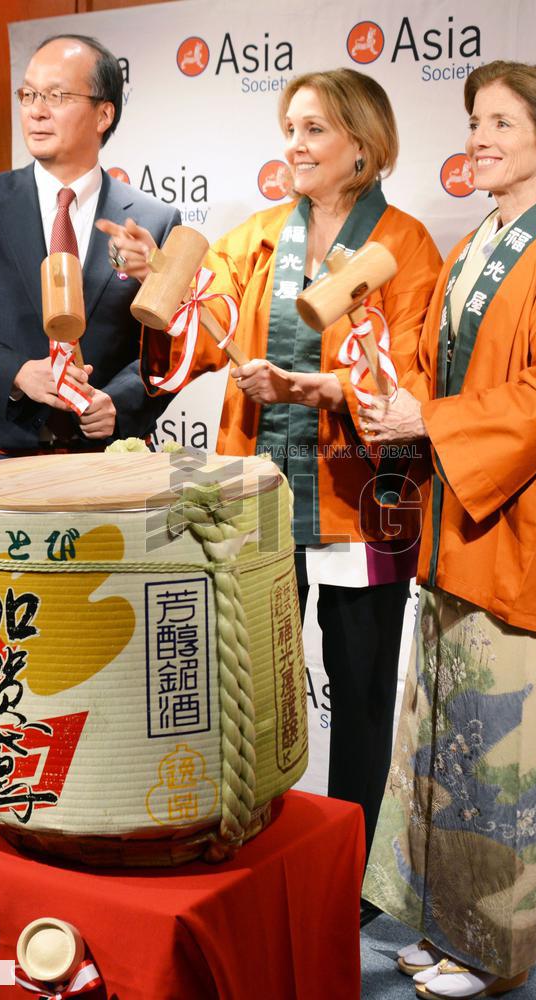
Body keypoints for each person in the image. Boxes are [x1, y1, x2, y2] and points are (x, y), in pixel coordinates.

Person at [98, 68, 442, 868]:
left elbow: (418, 376)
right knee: (252, 686)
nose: (294, 143)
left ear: (363, 143)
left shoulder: (407, 246)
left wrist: (317, 388)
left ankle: (351, 869)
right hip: (258, 494)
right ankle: (253, 844)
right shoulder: (253, 237)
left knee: (359, 693)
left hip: (367, 504)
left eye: (314, 128)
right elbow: (201, 333)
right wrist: (158, 276)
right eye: (290, 126)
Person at [359, 61, 536, 998]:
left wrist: (430, 423)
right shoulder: (486, 237)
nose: (477, 138)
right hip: (461, 518)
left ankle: (494, 950)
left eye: (501, 125)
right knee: (443, 734)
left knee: (498, 749)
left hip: (518, 524)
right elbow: (442, 363)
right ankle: (446, 924)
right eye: (474, 120)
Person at [0, 34, 179, 466]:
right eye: (29, 94)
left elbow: (169, 345)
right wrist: (18, 374)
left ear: (103, 114)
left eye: (56, 95)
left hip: (107, 460)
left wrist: (118, 402)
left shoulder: (154, 221)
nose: (36, 110)